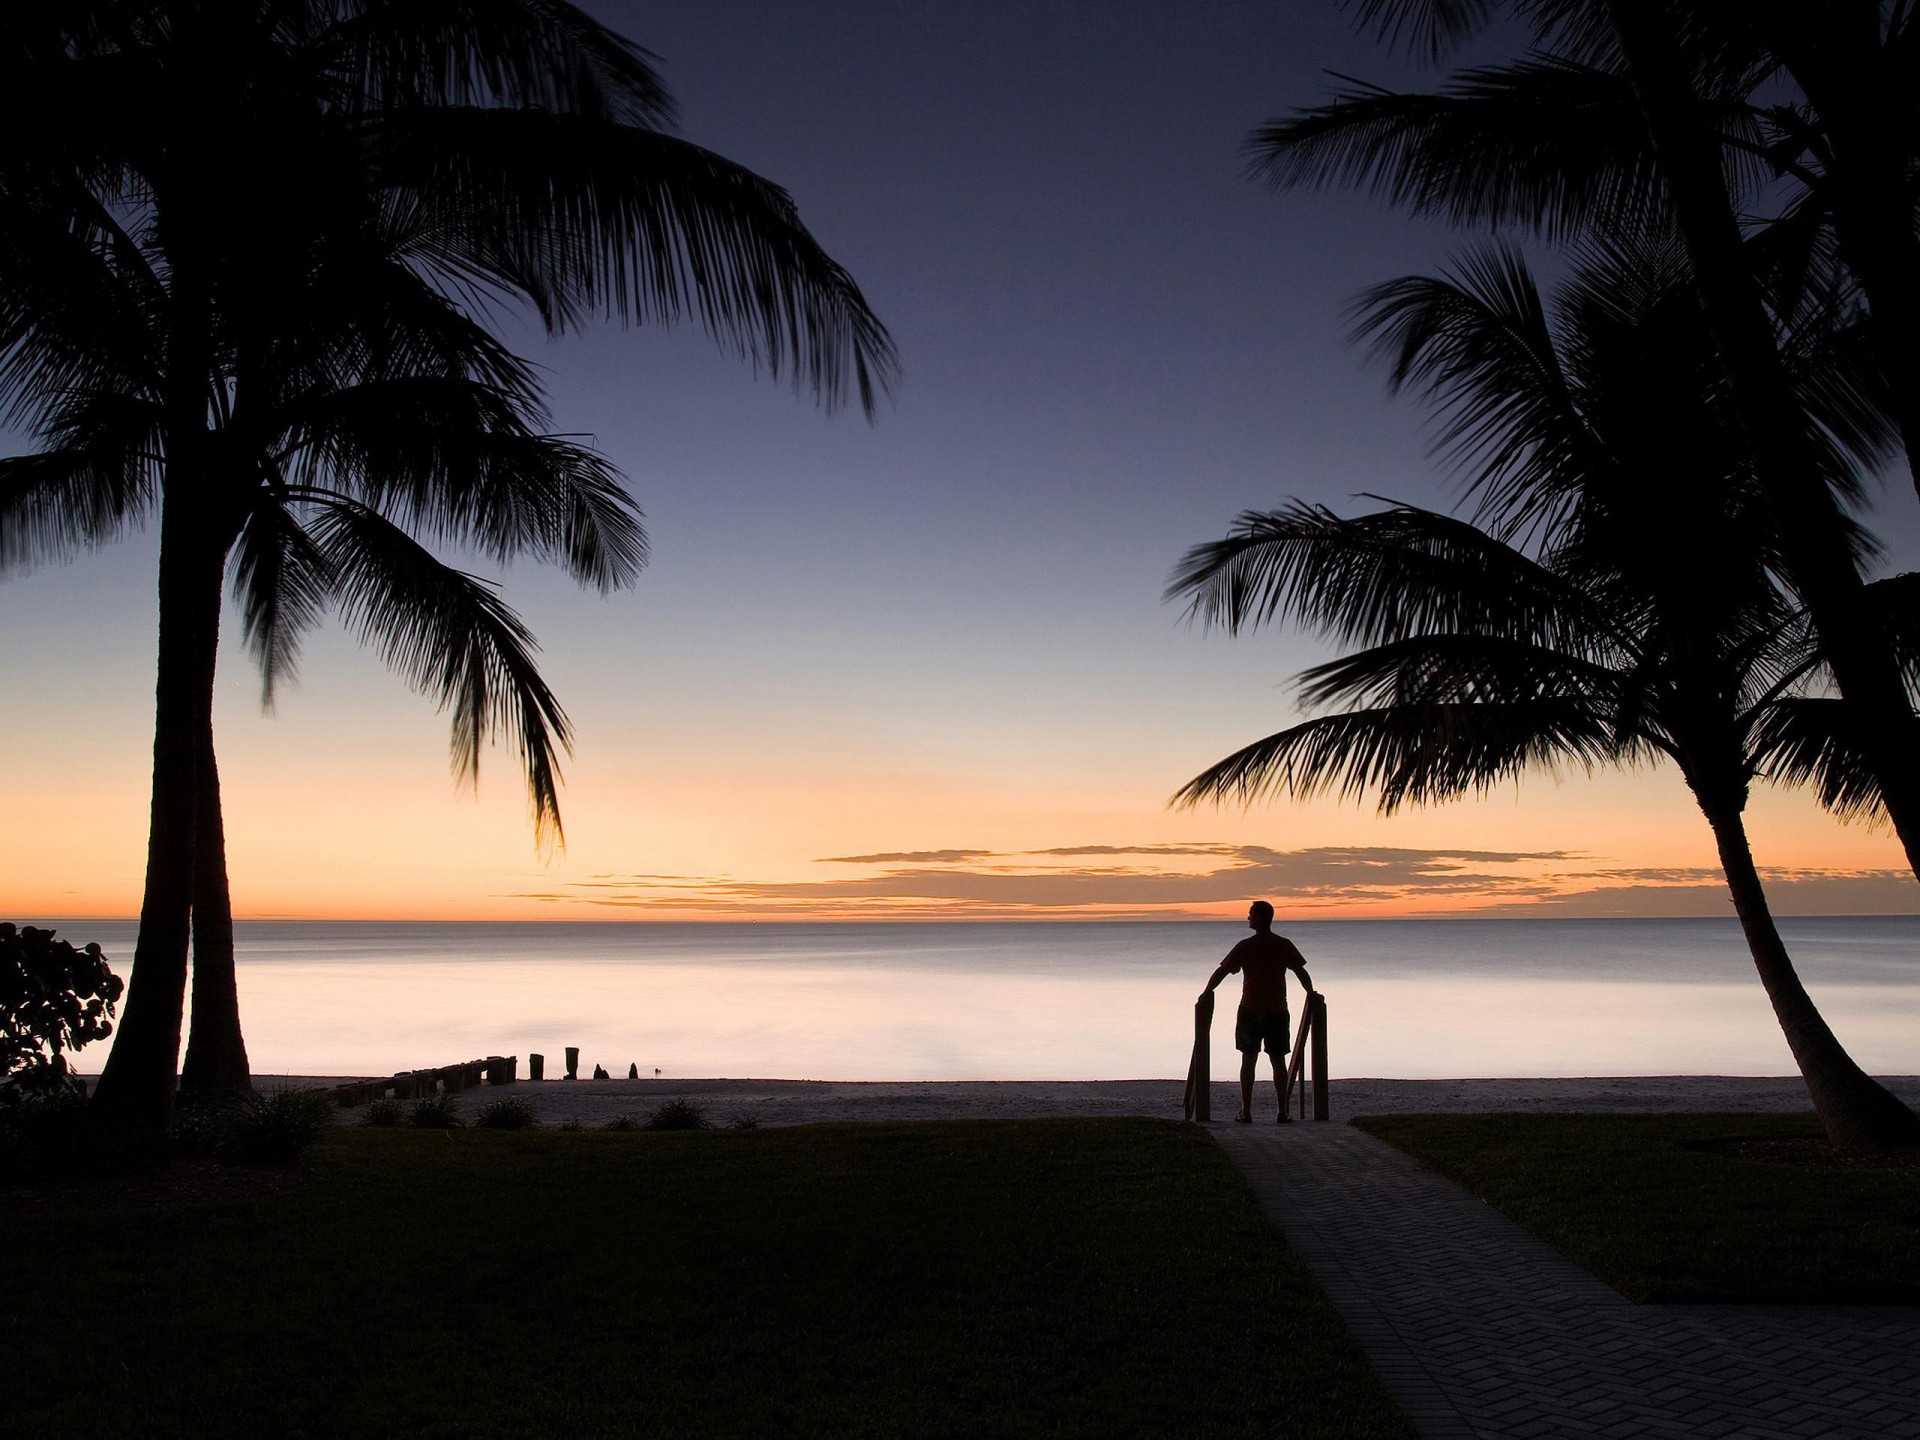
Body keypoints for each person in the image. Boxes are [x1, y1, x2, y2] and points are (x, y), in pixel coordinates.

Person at [1201, 900, 1313, 1123]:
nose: (1247, 917)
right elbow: (1301, 972)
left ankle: (1247, 1111)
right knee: (1278, 1061)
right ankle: (1282, 1111)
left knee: (1249, 1060)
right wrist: (1311, 992)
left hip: (1251, 1009)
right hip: (1277, 1009)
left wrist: (1207, 991)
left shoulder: (1246, 946)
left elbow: (1222, 971)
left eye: (1250, 914)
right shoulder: (1282, 944)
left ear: (1259, 918)